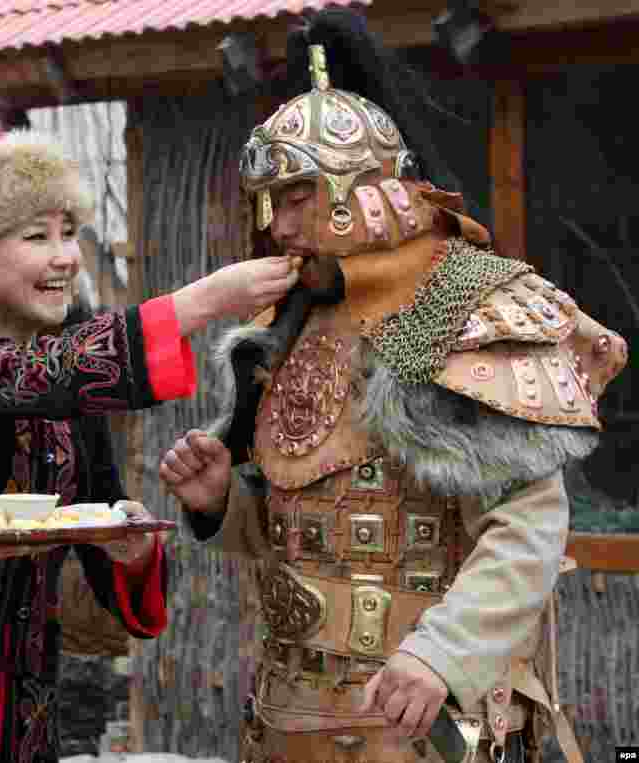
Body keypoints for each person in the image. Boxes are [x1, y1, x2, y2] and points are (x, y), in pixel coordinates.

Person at [158, 10, 627, 763]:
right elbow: (308, 528)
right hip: (288, 718)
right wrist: (227, 503)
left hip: (422, 725)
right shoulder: (289, 322)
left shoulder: (457, 302)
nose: (277, 225)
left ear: (361, 188)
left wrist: (441, 654)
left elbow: (529, 526)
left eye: (299, 195)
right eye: (270, 201)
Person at [0, 72, 301, 763]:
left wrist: (131, 554)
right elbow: (21, 378)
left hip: (31, 720)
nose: (66, 257)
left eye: (70, 232)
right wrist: (196, 304)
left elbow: (119, 587)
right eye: (37, 235)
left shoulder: (77, 396)